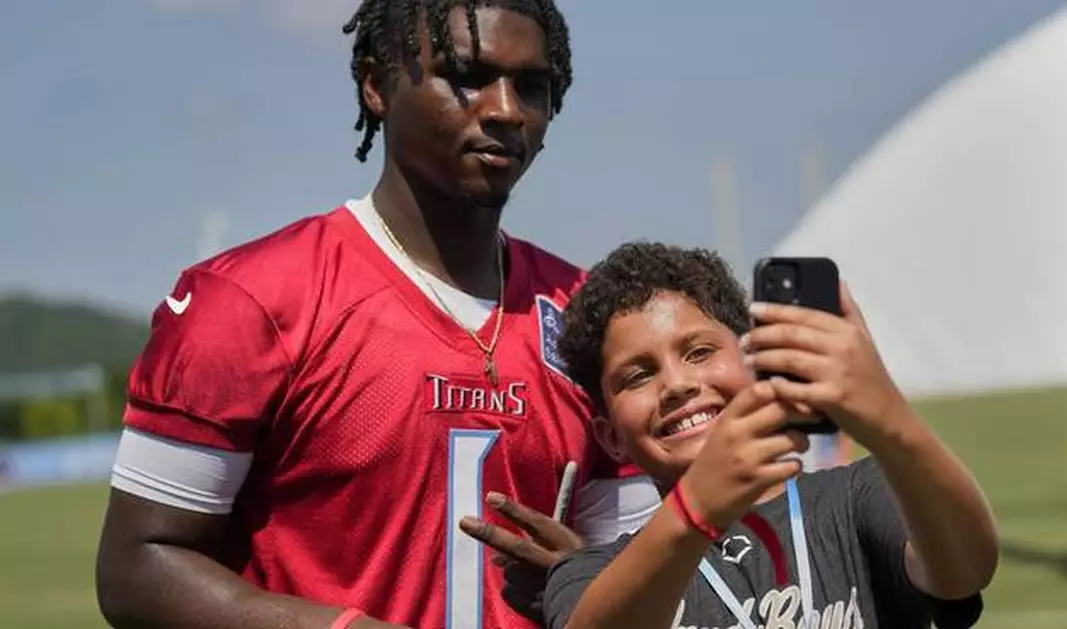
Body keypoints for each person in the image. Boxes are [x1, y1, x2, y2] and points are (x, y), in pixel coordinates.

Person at [93, 2, 658, 628]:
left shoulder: (590, 317)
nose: (504, 109)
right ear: (376, 84)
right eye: (467, 75)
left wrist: (592, 578)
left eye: (532, 86)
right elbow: (138, 568)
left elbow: (635, 577)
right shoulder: (252, 300)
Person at [534, 242, 999, 629]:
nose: (677, 385)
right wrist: (695, 510)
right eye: (638, 376)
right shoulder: (590, 574)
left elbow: (966, 569)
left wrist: (889, 418)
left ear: (755, 363)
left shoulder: (857, 497)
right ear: (610, 437)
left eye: (699, 351)